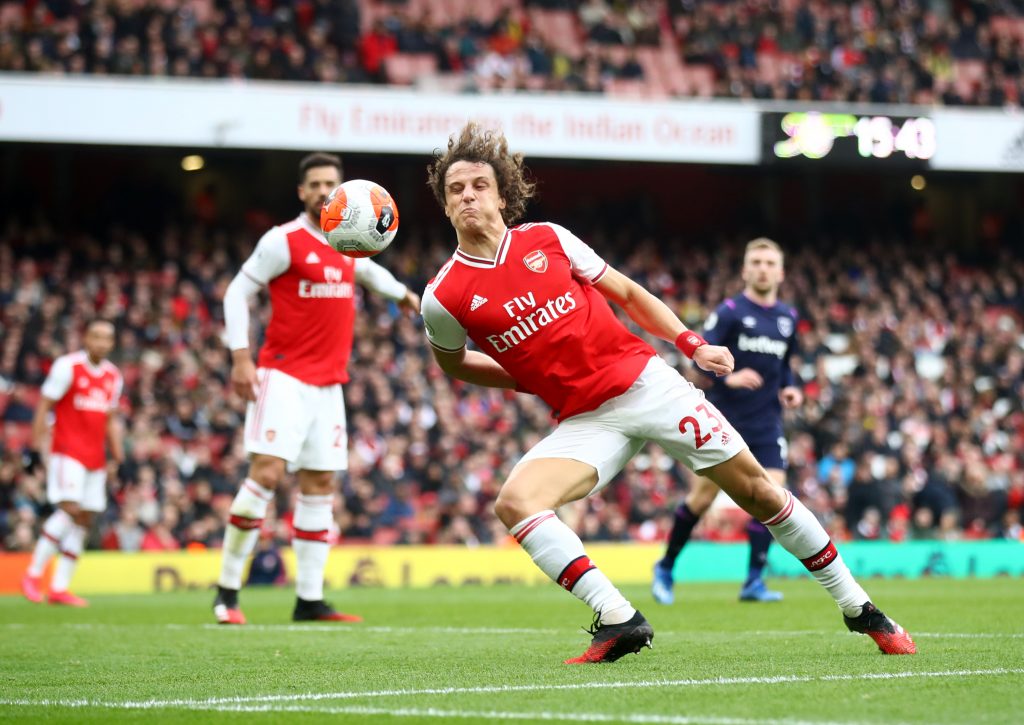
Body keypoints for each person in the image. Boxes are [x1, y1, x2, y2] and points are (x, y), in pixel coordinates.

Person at [420, 122, 915, 663]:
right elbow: (454, 362)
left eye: (478, 185)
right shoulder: (444, 295)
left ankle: (860, 609)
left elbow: (629, 293)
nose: (467, 196)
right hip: (587, 421)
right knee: (515, 502)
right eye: (455, 190)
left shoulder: (548, 239)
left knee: (760, 493)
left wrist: (692, 343)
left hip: (646, 384)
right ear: (445, 206)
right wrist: (522, 378)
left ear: (502, 194)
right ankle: (618, 620)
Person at [214, 152, 420, 625]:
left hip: (329, 386)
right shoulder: (282, 241)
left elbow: (371, 273)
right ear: (301, 191)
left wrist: (404, 296)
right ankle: (226, 591)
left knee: (320, 484)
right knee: (266, 475)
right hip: (282, 376)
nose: (324, 189)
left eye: (332, 182)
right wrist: (240, 356)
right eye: (316, 183)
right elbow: (236, 292)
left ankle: (309, 600)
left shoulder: (348, 241)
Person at [652, 238, 803, 605]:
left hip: (767, 421)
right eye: (757, 262)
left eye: (770, 262)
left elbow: (784, 367)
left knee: (774, 497)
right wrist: (728, 378)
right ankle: (666, 566)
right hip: (726, 419)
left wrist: (791, 388)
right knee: (702, 498)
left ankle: (753, 580)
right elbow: (697, 360)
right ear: (745, 269)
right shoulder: (731, 312)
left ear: (780, 272)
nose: (763, 268)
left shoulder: (788, 318)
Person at [21, 319, 124, 607]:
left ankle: (59, 587)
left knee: (85, 519)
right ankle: (32, 574)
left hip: (96, 457)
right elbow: (44, 405)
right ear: (86, 338)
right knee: (70, 510)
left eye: (107, 338)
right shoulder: (68, 366)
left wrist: (119, 458)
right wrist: (32, 447)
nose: (101, 343)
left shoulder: (113, 376)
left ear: (112, 344)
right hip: (67, 451)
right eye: (96, 336)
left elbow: (111, 420)